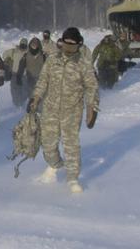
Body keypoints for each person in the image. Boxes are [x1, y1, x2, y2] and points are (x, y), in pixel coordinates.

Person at [27, 27, 99, 194]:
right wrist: (35, 98)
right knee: (48, 144)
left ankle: (73, 178)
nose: (68, 46)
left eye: (73, 44)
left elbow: (92, 87)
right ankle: (55, 165)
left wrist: (92, 107)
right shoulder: (52, 59)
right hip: (50, 109)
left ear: (79, 44)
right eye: (66, 42)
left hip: (72, 111)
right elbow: (43, 80)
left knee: (71, 145)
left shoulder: (83, 63)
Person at [1, 37, 28, 108]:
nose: (23, 46)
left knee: (25, 90)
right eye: (22, 44)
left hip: (24, 75)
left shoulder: (28, 52)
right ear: (20, 44)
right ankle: (16, 104)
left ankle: (22, 102)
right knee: (14, 90)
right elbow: (4, 54)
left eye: (24, 44)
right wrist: (7, 59)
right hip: (14, 74)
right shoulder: (14, 51)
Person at [19, 37, 47, 102]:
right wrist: (19, 76)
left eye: (35, 44)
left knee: (41, 98)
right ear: (30, 45)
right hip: (29, 79)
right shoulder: (26, 55)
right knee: (31, 97)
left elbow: (48, 68)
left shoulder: (43, 55)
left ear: (38, 45)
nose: (34, 45)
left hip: (41, 80)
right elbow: (21, 67)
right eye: (32, 44)